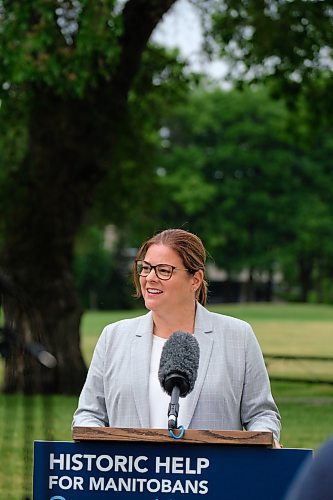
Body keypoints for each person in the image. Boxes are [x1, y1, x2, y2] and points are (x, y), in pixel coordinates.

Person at [72, 228, 281, 445]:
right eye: (146, 268)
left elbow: (262, 415)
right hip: (132, 477)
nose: (150, 278)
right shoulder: (113, 337)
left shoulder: (238, 337)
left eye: (164, 270)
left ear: (195, 280)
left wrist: (265, 441)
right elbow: (89, 414)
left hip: (212, 477)